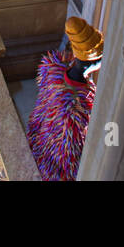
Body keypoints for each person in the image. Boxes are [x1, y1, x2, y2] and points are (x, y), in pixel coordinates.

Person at [26, 17, 104, 180]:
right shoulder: (77, 107)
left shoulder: (53, 71)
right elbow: (69, 157)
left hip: (37, 143)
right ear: (92, 62)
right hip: (54, 169)